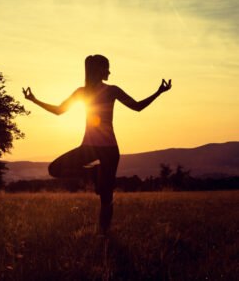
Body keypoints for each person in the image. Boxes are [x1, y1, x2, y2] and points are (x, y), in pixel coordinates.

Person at [22, 54, 172, 236]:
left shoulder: (112, 90)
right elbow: (59, 111)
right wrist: (34, 100)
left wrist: (159, 92)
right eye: (106, 67)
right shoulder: (82, 92)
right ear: (97, 70)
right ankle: (94, 173)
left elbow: (137, 106)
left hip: (109, 151)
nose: (109, 71)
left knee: (106, 198)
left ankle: (104, 235)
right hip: (90, 148)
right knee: (54, 169)